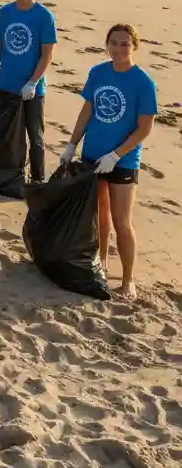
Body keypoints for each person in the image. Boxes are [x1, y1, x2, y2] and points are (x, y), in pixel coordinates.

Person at [60, 24, 157, 300]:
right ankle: (99, 263)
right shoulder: (98, 73)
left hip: (123, 161)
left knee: (121, 220)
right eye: (113, 43)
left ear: (134, 47)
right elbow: (87, 109)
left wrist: (117, 155)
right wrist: (71, 144)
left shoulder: (143, 82)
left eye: (124, 44)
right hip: (93, 155)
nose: (118, 49)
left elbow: (144, 127)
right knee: (100, 215)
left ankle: (128, 280)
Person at [0, 0, 57, 183]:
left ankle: (37, 179)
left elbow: (47, 55)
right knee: (9, 137)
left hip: (32, 90)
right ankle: (10, 177)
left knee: (35, 137)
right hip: (7, 85)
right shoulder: (6, 13)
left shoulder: (44, 16)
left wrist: (33, 82)